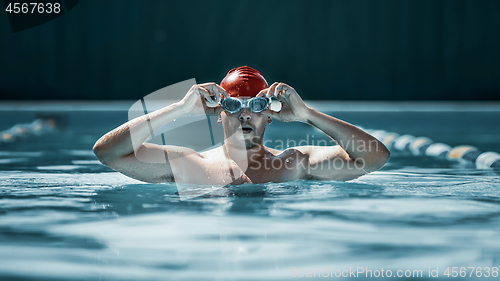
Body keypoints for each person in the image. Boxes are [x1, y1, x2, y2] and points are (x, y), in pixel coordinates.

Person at [93, 66, 390, 185]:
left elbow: (376, 158)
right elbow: (107, 153)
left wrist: (307, 114)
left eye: (257, 106)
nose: (245, 115)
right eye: (233, 106)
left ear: (269, 114)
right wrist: (179, 109)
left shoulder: (295, 163)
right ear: (219, 114)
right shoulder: (190, 164)